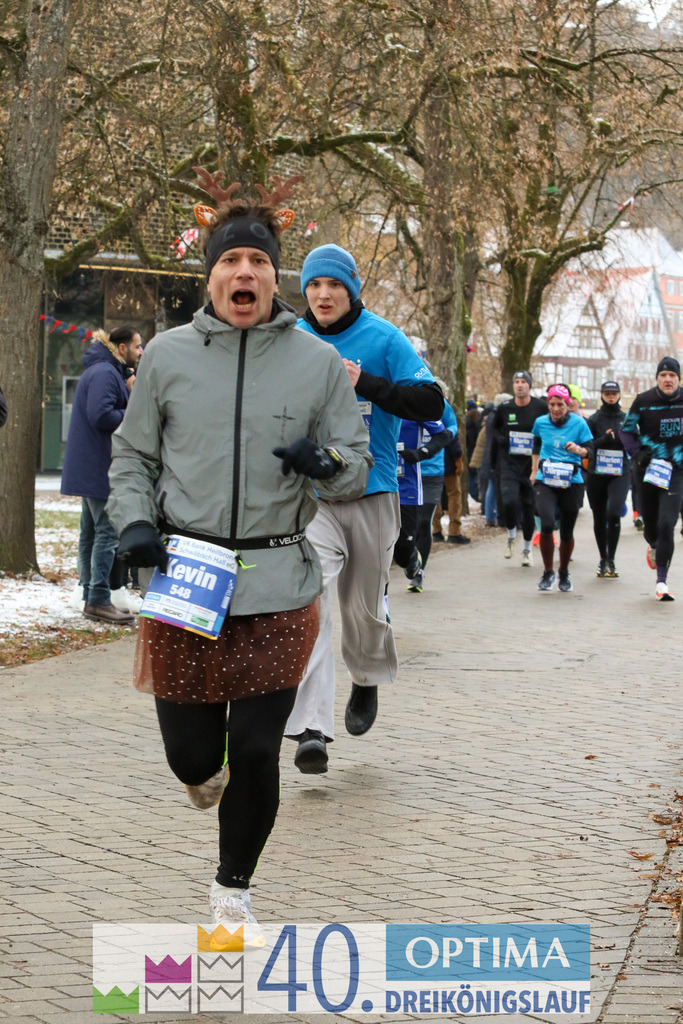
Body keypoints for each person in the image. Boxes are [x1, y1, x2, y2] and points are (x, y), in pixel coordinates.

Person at [108, 178, 371, 933]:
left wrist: (322, 463)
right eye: (232, 263)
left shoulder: (317, 363)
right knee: (194, 759)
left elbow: (355, 461)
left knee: (256, 750)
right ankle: (202, 776)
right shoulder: (165, 357)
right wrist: (132, 526)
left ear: (273, 276)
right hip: (186, 579)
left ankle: (231, 898)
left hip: (280, 580)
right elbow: (132, 459)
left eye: (258, 261)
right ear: (211, 276)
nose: (244, 274)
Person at [284, 244, 444, 774]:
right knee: (312, 601)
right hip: (315, 498)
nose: (323, 295)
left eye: (334, 285)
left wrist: (365, 383)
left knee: (363, 607)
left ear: (351, 289)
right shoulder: (291, 338)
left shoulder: (383, 337)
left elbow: (430, 403)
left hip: (374, 490)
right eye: (314, 285)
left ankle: (368, 676)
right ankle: (312, 728)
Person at [61, 325, 143, 623]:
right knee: (106, 535)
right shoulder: (106, 373)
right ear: (121, 348)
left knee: (90, 533)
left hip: (91, 467)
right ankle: (97, 598)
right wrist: (133, 407)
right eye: (137, 346)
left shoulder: (102, 370)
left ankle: (88, 594)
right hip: (100, 468)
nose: (141, 351)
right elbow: (102, 415)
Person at [620, 356, 683, 601]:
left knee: (668, 524)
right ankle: (654, 545)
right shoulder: (644, 401)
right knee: (652, 528)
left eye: (672, 376)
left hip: (677, 470)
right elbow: (626, 431)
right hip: (648, 471)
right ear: (657, 378)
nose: (668, 380)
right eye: (663, 376)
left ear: (678, 378)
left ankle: (661, 582)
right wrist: (636, 452)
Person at [531, 384, 592, 592]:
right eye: (552, 404)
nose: (556, 409)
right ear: (547, 404)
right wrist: (533, 470)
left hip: (571, 481)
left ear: (568, 404)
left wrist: (579, 449)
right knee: (546, 523)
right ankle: (548, 572)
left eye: (560, 404)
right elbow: (536, 444)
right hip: (546, 479)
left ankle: (563, 572)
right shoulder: (540, 422)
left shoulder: (579, 423)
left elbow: (590, 450)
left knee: (567, 531)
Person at [492, 371, 547, 567]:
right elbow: (495, 427)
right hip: (509, 464)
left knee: (529, 507)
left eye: (524, 382)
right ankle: (511, 535)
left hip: (531, 465)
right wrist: (501, 440)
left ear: (529, 385)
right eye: (517, 382)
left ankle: (527, 550)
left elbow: (547, 428)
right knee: (509, 501)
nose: (520, 385)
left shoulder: (540, 407)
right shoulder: (505, 407)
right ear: (513, 386)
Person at [394, 417, 453, 593]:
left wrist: (422, 452)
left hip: (426, 475)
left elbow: (449, 431)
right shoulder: (370, 400)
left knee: (424, 521)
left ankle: (417, 570)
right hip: (382, 479)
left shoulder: (424, 399)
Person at [583, 381, 630, 578]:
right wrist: (603, 440)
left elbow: (634, 444)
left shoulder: (626, 419)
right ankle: (603, 559)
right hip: (597, 474)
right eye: (607, 393)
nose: (611, 397)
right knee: (599, 516)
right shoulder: (594, 419)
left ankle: (612, 558)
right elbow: (586, 447)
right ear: (601, 395)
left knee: (613, 512)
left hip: (619, 473)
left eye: (614, 393)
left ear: (619, 395)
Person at [429, 399, 468, 544]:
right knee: (454, 494)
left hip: (429, 459)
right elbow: (453, 436)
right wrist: (458, 458)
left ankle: (436, 530)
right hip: (447, 460)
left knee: (434, 496)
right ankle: (454, 531)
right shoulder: (444, 408)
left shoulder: (419, 405)